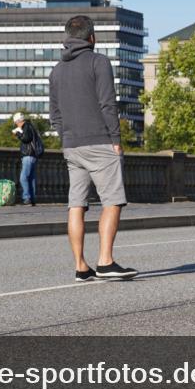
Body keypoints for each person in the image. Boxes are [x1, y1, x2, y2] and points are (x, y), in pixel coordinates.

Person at [49, 15, 137, 281]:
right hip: (100, 142)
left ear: (67, 37)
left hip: (72, 146)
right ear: (92, 38)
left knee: (76, 204)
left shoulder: (56, 70)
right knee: (112, 201)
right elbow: (107, 104)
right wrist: (116, 140)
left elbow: (54, 114)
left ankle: (80, 266)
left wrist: (67, 135)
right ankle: (105, 262)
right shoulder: (99, 62)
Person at [12, 112, 42, 206]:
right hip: (33, 156)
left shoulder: (26, 126)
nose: (16, 124)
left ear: (19, 121)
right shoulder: (30, 126)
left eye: (16, 123)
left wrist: (17, 133)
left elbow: (26, 139)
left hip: (28, 155)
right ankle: (32, 199)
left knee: (23, 177)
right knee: (31, 178)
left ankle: (26, 198)